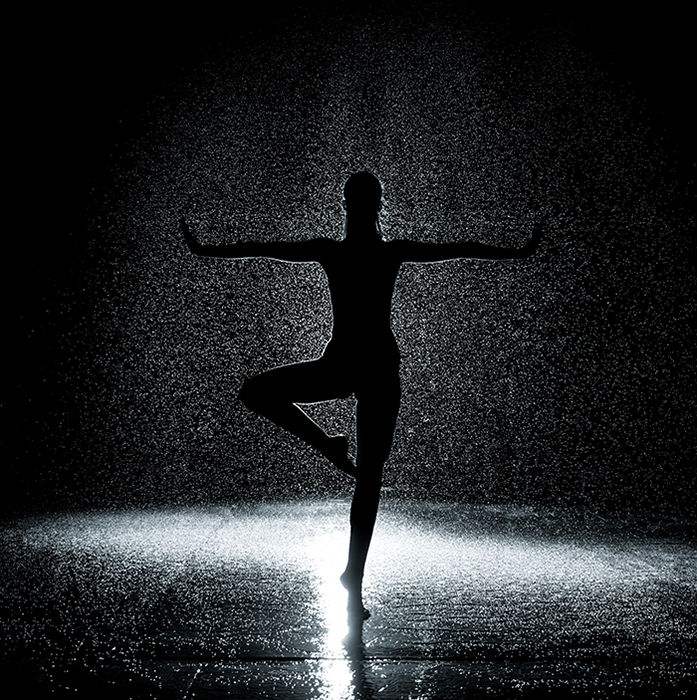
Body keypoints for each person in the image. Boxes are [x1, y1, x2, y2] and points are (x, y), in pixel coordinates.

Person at [181, 171, 543, 619]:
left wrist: (208, 249)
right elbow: (458, 249)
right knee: (360, 471)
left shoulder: (340, 251)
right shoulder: (378, 252)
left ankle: (354, 575)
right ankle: (344, 528)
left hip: (357, 368)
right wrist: (517, 251)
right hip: (367, 368)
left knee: (349, 461)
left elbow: (265, 247)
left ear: (350, 204)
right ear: (376, 204)